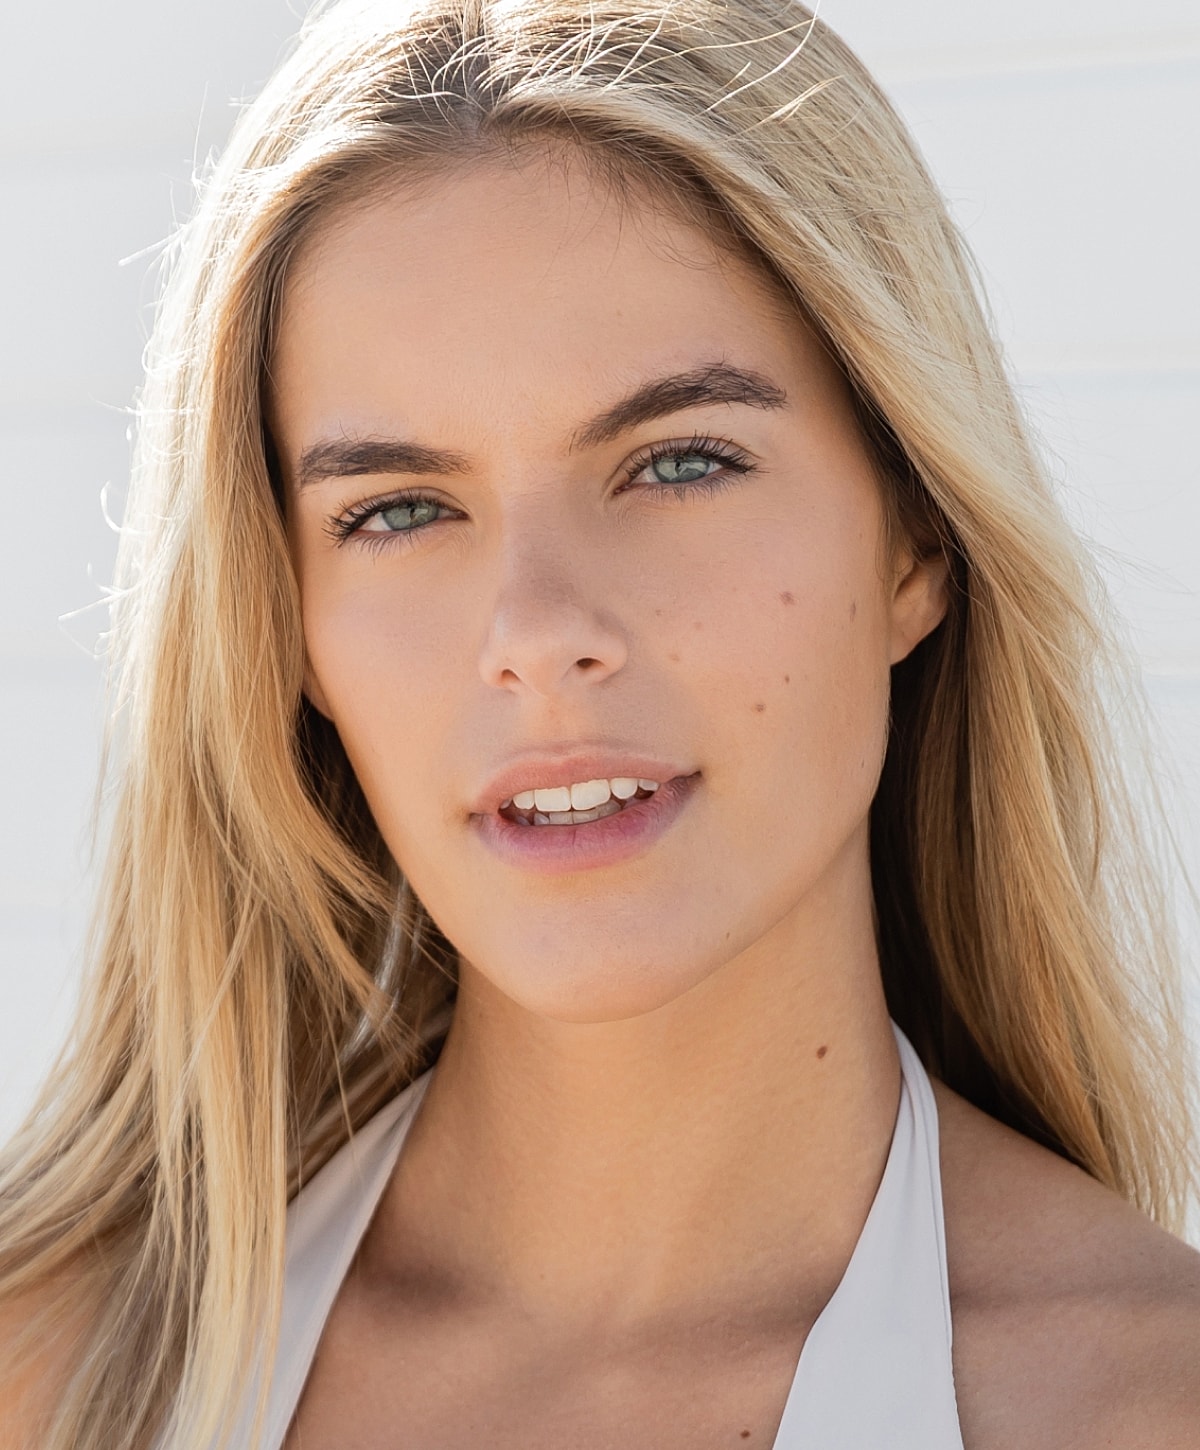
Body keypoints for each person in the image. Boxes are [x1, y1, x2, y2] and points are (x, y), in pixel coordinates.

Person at [2, 0, 1199, 1445]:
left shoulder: (1145, 1397)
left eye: (680, 461)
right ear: (289, 631)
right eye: (396, 509)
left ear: (916, 541)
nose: (536, 631)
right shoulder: (54, 1369)